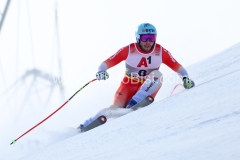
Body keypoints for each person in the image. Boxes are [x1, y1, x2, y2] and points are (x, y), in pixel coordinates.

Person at [78, 23, 195, 131]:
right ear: (138, 38)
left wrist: (185, 78)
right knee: (112, 110)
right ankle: (83, 127)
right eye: (144, 38)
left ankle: (133, 104)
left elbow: (178, 67)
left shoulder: (160, 51)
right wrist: (101, 70)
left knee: (157, 75)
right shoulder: (129, 50)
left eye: (152, 38)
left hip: (148, 87)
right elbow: (107, 62)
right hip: (127, 86)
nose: (148, 42)